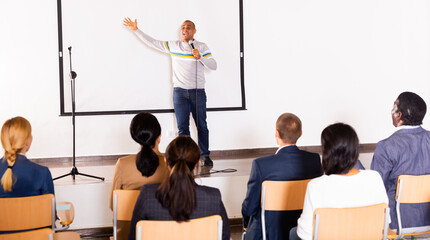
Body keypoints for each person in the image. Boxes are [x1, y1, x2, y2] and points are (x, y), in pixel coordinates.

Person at [123, 17, 217, 167]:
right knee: (183, 128)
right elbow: (153, 42)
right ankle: (185, 156)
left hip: (197, 92)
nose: (185, 29)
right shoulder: (174, 46)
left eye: (188, 27)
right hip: (179, 93)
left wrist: (200, 57)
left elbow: (213, 66)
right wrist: (137, 30)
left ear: (194, 31)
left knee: (202, 126)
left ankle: (205, 155)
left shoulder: (201, 47)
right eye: (183, 27)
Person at [290, 123, 388, 240]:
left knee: (293, 233)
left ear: (327, 153)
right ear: (355, 150)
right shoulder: (374, 178)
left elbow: (305, 233)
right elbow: (385, 222)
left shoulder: (316, 186)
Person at [128, 136, 230, 240]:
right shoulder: (213, 197)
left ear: (166, 162)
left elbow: (133, 237)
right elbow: (225, 236)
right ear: (197, 164)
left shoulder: (147, 195)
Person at [241, 113, 323, 240]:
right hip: (302, 230)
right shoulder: (314, 160)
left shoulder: (261, 165)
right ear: (300, 133)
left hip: (269, 233)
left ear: (276, 133)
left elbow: (249, 209)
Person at [371, 91, 430, 230]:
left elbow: (376, 189)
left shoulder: (385, 147)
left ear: (399, 115)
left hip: (397, 224)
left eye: (394, 107)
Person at [109, 112, 169, 240]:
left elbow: (112, 205)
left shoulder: (122, 164)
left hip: (127, 234)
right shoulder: (170, 165)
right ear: (159, 137)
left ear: (135, 137)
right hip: (163, 233)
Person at [0, 116, 54, 197]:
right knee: (67, 206)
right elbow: (50, 209)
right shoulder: (42, 173)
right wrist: (66, 207)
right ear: (28, 141)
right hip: (36, 210)